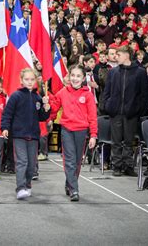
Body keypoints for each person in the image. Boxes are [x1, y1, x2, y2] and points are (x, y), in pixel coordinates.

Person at [1, 68, 51, 200]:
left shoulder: (37, 97)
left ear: (35, 81)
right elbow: (7, 114)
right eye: (26, 79)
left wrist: (46, 108)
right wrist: (5, 127)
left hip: (34, 135)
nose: (29, 82)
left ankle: (28, 184)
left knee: (31, 164)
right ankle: (20, 188)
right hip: (18, 135)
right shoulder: (15, 96)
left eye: (32, 79)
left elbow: (42, 117)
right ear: (21, 80)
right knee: (22, 162)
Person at [50, 65, 98, 202]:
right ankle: (74, 189)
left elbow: (93, 117)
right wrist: (48, 105)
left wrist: (93, 135)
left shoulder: (88, 95)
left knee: (77, 161)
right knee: (69, 160)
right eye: (73, 75)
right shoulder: (62, 92)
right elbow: (54, 108)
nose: (75, 79)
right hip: (66, 130)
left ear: (83, 78)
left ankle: (69, 183)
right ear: (69, 77)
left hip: (82, 131)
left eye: (78, 76)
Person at [102, 45, 148, 177]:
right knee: (116, 141)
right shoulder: (113, 72)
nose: (116, 57)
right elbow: (107, 91)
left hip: (131, 112)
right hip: (115, 111)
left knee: (129, 141)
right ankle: (116, 166)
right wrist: (106, 106)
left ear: (127, 55)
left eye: (119, 54)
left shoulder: (140, 72)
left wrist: (138, 109)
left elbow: (143, 94)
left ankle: (128, 166)